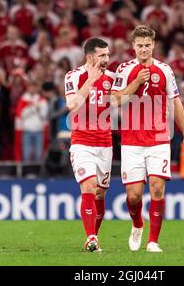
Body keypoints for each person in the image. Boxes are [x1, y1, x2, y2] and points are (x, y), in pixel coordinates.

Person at [111, 25, 184, 253]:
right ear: (133, 46)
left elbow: (176, 103)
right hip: (131, 141)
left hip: (159, 139)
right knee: (134, 195)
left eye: (148, 45)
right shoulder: (124, 69)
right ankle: (137, 223)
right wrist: (136, 82)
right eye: (140, 45)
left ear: (153, 45)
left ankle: (153, 241)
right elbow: (115, 100)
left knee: (157, 188)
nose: (144, 49)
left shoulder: (165, 70)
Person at [64, 38, 116, 252]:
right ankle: (91, 237)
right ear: (90, 57)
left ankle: (94, 234)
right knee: (88, 186)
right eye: (102, 55)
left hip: (105, 143)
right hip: (82, 142)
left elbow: (127, 101)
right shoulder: (73, 76)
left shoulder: (113, 78)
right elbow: (72, 104)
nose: (106, 59)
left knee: (100, 194)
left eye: (107, 55)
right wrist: (91, 80)